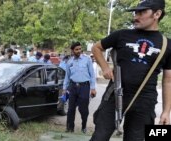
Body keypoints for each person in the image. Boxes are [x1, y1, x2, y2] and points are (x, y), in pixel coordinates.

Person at [90, 0, 171, 141]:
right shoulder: (122, 34)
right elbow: (96, 48)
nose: (135, 17)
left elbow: (168, 80)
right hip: (115, 95)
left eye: (142, 12)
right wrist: (105, 67)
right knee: (99, 137)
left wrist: (166, 112)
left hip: (145, 101)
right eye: (135, 12)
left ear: (157, 14)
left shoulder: (167, 44)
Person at [63, 42, 96, 133]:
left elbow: (92, 75)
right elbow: (67, 76)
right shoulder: (69, 61)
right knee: (71, 109)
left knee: (83, 109)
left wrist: (93, 88)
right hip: (72, 87)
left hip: (84, 87)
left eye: (80, 49)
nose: (79, 51)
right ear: (72, 51)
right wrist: (64, 89)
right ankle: (70, 128)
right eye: (76, 49)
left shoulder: (87, 60)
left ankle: (84, 126)